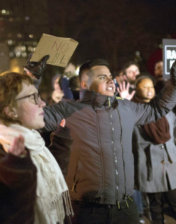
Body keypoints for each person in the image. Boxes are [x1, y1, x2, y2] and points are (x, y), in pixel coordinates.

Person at [43, 59, 176, 224]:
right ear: (84, 83)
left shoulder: (126, 108)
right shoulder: (68, 110)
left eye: (110, 76)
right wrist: (32, 77)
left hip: (126, 209)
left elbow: (158, 109)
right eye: (101, 77)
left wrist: (174, 83)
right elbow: (28, 118)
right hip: (87, 212)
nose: (110, 80)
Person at [0, 72, 73, 224]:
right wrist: (14, 170)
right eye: (33, 98)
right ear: (10, 110)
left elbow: (46, 182)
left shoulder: (34, 143)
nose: (42, 103)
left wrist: (61, 145)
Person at [132, 74, 176, 224]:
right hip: (150, 167)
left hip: (170, 165)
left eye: (151, 86)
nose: (149, 90)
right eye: (144, 87)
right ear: (136, 89)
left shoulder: (163, 108)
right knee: (155, 209)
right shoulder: (133, 112)